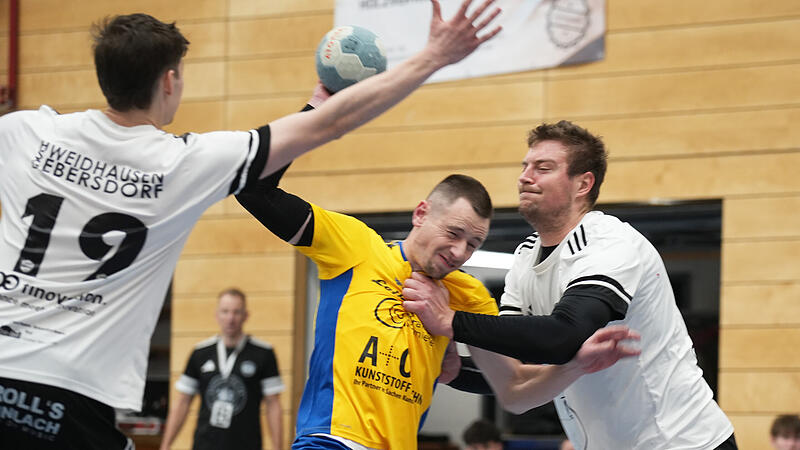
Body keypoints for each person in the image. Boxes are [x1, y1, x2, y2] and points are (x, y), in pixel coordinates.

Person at [0, 2, 504, 448]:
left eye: (472, 242)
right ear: (170, 82)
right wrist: (433, 56)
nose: (461, 251)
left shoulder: (22, 131)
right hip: (73, 393)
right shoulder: (182, 162)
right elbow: (322, 128)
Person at [235, 172, 639, 449]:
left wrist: (574, 365)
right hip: (331, 439)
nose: (460, 252)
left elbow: (508, 382)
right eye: (453, 233)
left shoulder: (469, 295)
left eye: (473, 243)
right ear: (421, 213)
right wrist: (319, 110)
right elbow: (253, 190)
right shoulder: (357, 248)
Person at [403, 120, 737, 449]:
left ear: (582, 184)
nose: (525, 177)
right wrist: (451, 371)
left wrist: (450, 321)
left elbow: (563, 337)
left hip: (684, 443)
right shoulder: (525, 258)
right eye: (525, 166)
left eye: (543, 167)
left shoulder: (610, 242)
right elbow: (515, 371)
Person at [159, 288, 284, 450]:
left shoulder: (263, 353)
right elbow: (182, 401)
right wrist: (166, 444)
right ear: (217, 315)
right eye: (225, 312)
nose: (230, 318)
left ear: (246, 316)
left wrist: (278, 446)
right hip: (205, 443)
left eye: (236, 312)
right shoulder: (200, 353)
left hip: (247, 444)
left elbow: (273, 404)